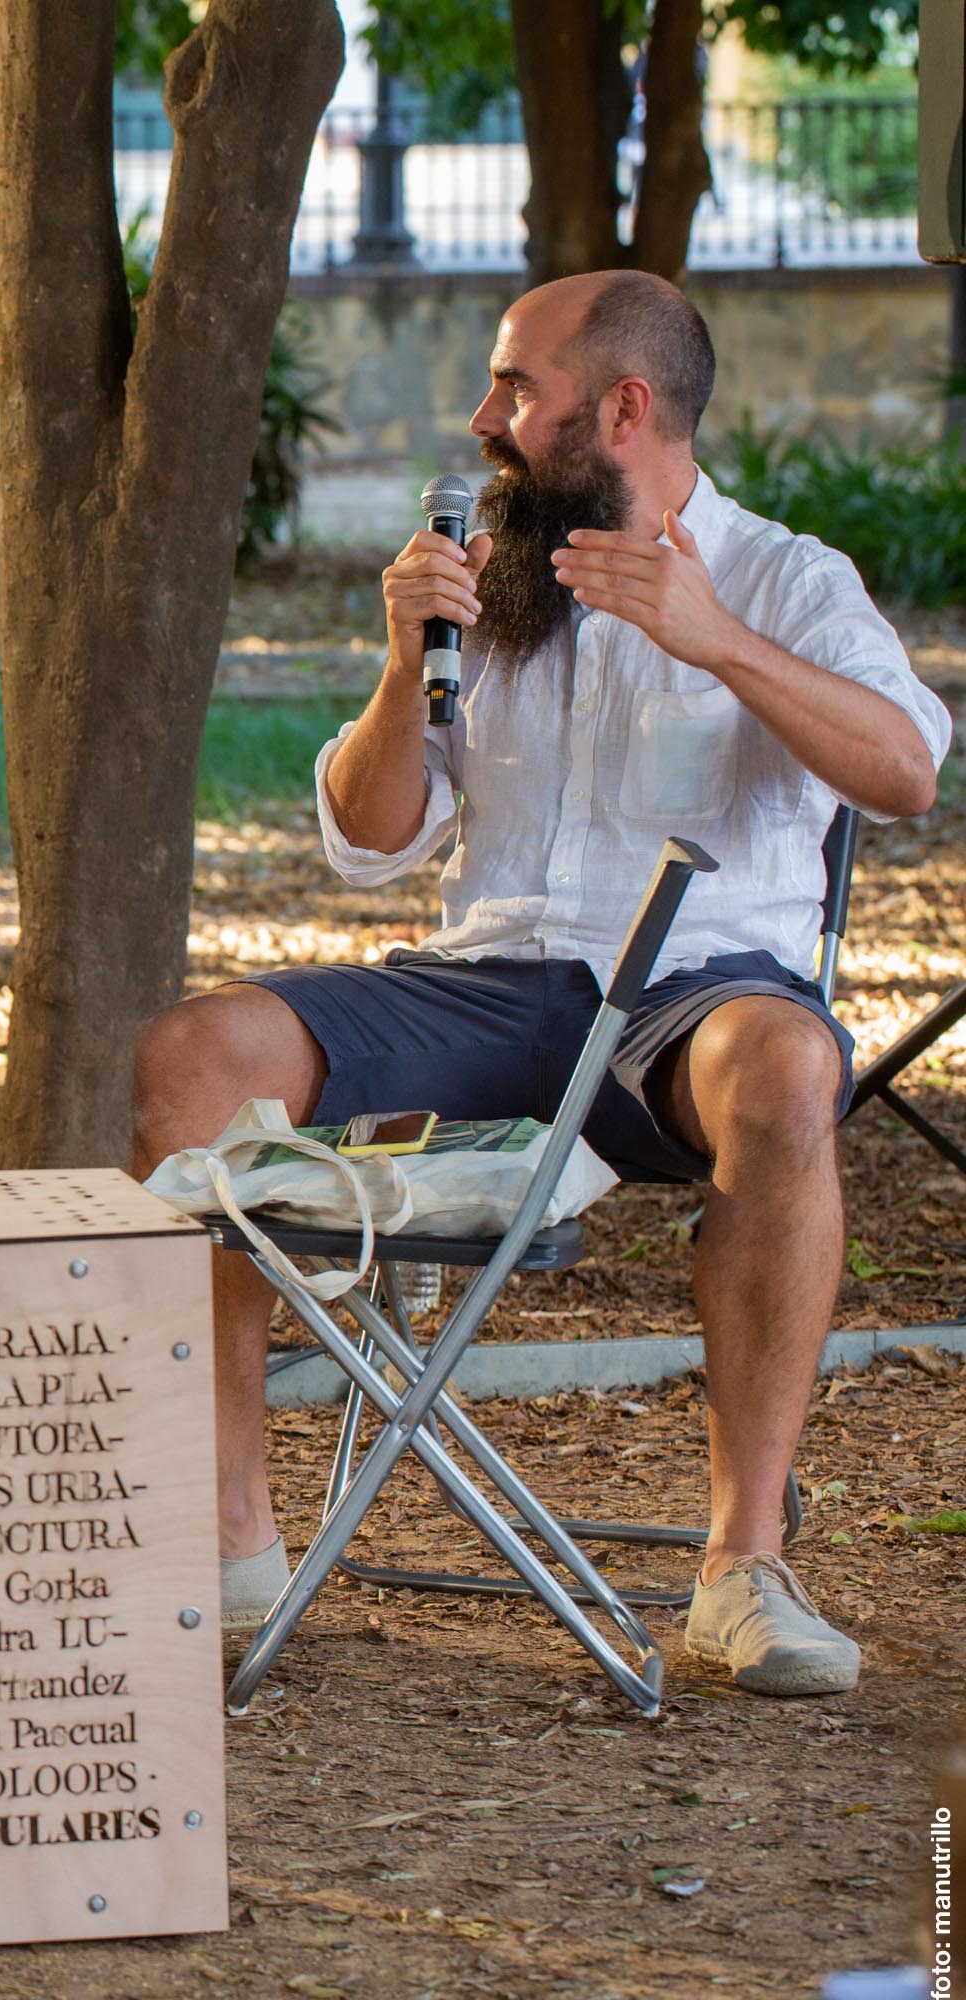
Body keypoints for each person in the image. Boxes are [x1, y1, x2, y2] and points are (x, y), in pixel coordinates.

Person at [130, 271, 949, 1697]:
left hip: (692, 994)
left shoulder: (785, 579)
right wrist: (404, 668)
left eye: (516, 387)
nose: (481, 416)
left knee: (787, 1063)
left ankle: (743, 1570)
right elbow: (372, 840)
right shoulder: (492, 582)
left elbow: (905, 770)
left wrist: (718, 642)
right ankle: (231, 1536)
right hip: (482, 983)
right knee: (194, 1058)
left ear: (623, 408)